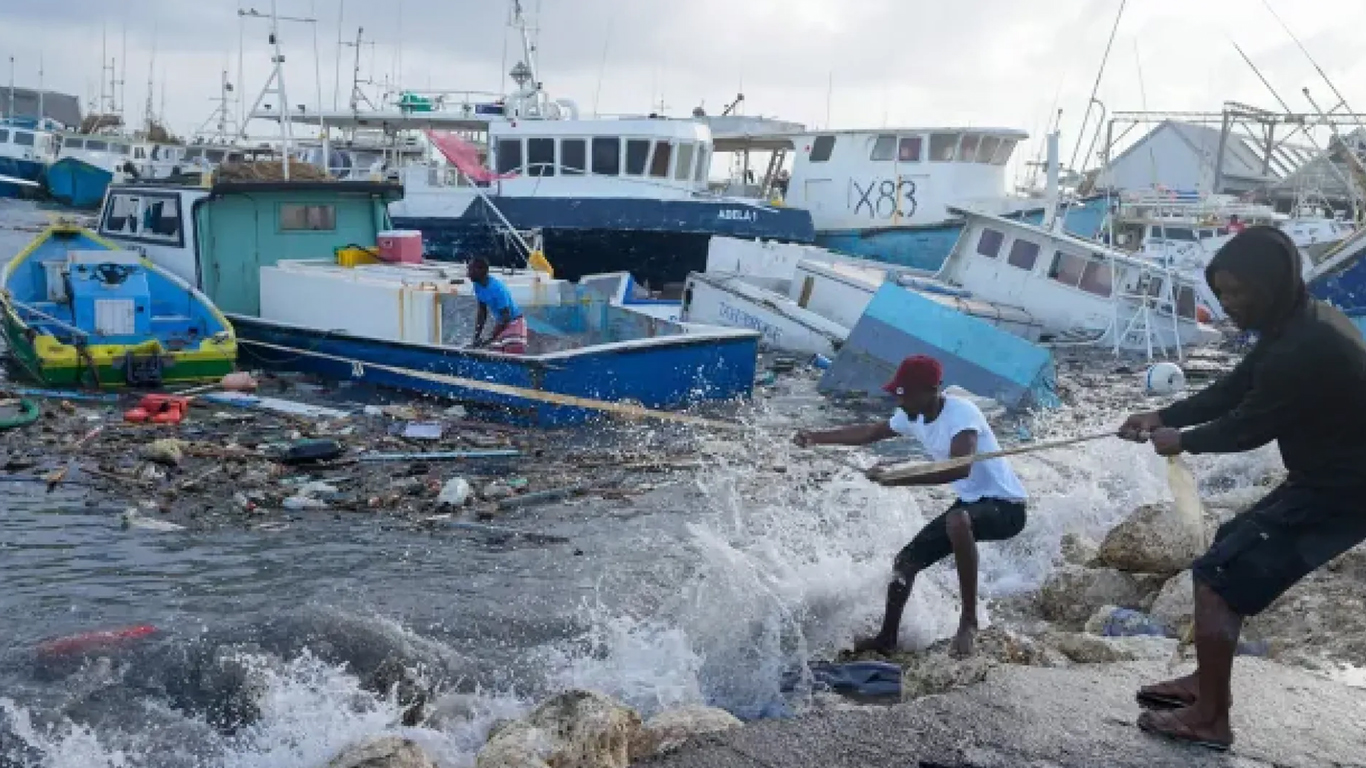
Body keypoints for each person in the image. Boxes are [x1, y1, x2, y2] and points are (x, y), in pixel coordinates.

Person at [1118, 225, 1366, 752]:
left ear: (1270, 284)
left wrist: (1179, 439)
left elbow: (1248, 427)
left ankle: (1211, 719)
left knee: (1217, 576)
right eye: (1221, 293)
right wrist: (1162, 413)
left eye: (1236, 292)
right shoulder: (1296, 324)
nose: (1227, 304)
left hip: (1345, 489)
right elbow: (1234, 389)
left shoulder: (1301, 346)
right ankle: (1204, 685)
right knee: (1228, 543)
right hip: (1332, 477)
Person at [794, 355, 1029, 658]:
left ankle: (968, 622)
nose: (899, 400)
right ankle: (887, 638)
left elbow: (960, 468)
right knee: (904, 563)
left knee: (957, 520)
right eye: (898, 393)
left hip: (1007, 508)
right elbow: (870, 433)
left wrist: (898, 478)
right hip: (972, 505)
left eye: (904, 394)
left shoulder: (962, 414)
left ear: (931, 390)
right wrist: (815, 437)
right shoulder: (912, 416)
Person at [468, 256, 527, 354]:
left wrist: (491, 337)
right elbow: (482, 313)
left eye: (471, 270)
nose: (468, 274)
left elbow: (506, 317)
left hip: (514, 323)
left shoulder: (498, 289)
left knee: (511, 353)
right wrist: (476, 337)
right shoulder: (477, 285)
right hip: (502, 323)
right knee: (489, 350)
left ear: (482, 271)